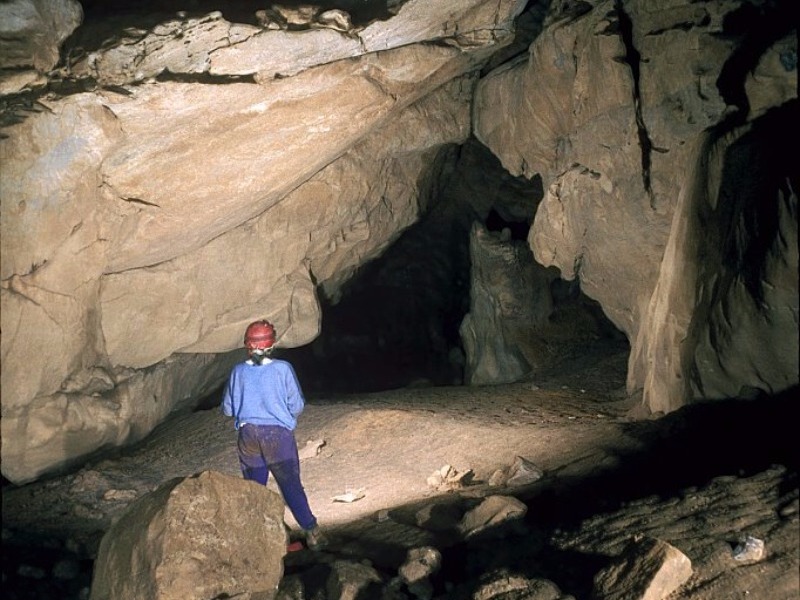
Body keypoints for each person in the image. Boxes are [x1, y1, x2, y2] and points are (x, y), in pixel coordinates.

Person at [221, 319, 327, 551]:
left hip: (248, 436)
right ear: (272, 343)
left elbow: (228, 409)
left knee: (254, 490)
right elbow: (297, 404)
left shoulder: (238, 371)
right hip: (277, 437)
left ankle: (260, 540)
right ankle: (313, 533)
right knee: (290, 486)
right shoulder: (282, 369)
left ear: (247, 344)